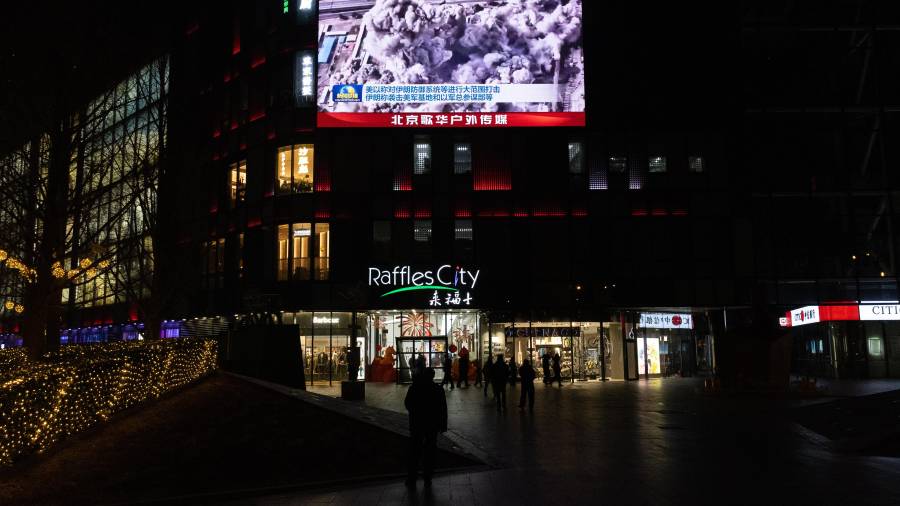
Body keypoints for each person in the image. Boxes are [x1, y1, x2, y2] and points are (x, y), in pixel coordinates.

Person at [404, 368, 447, 488]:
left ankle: (412, 477)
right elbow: (443, 409)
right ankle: (427, 476)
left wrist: (415, 413)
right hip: (432, 424)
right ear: (432, 377)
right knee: (430, 449)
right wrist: (443, 424)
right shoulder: (438, 390)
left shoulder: (415, 388)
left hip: (417, 423)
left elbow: (408, 403)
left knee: (414, 449)